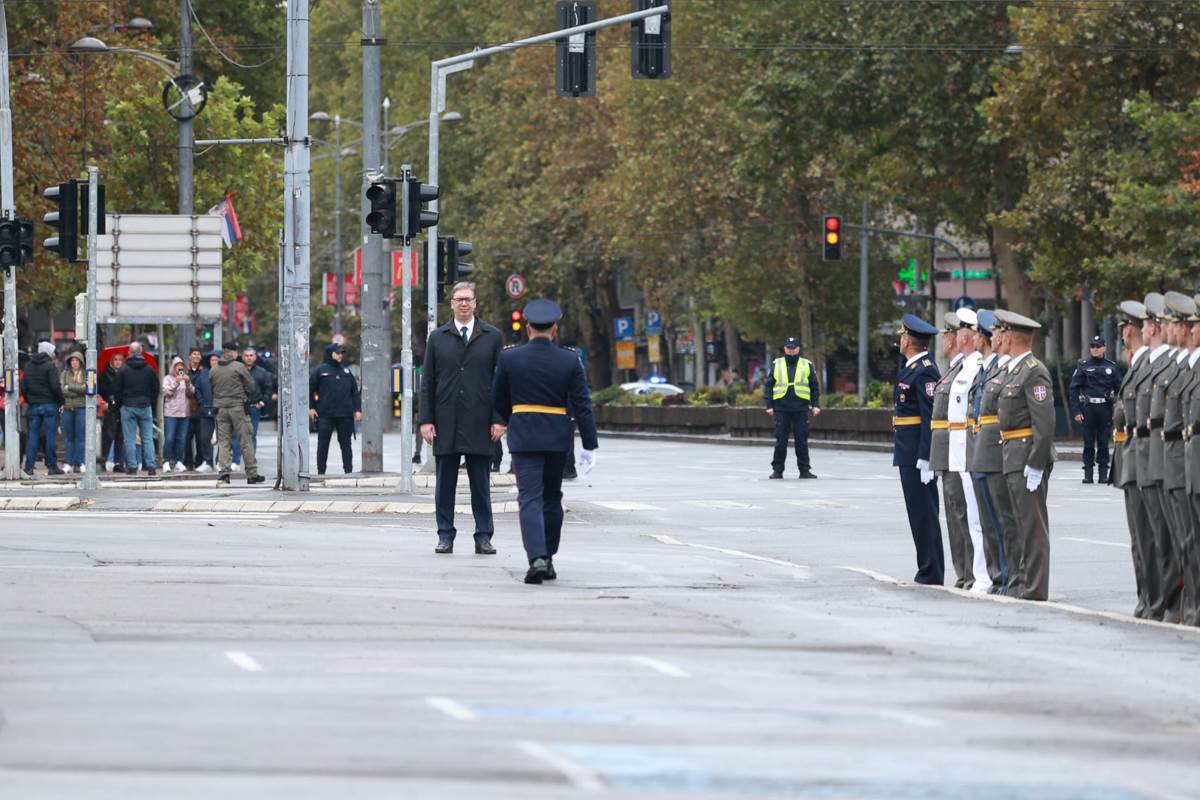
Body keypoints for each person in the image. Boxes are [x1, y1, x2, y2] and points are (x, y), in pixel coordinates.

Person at [493, 299, 598, 584]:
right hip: (557, 437)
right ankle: (548, 557)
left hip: (524, 436)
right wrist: (589, 444)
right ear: (554, 329)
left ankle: (536, 558)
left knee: (529, 498)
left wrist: (499, 422)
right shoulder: (569, 359)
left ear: (527, 328)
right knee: (553, 498)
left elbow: (498, 398)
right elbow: (582, 404)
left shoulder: (510, 358)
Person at [420, 281, 505, 555]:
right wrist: (426, 420)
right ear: (452, 304)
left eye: (468, 299)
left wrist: (499, 419)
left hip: (481, 421)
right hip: (445, 421)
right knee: (445, 483)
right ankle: (445, 535)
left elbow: (501, 382)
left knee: (481, 483)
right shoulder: (438, 337)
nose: (464, 304)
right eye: (459, 300)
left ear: (476, 303)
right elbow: (428, 382)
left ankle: (484, 536)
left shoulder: (492, 336)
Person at [994, 308, 1056, 601]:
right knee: (1018, 525)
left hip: (1026, 456)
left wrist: (1036, 463)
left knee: (1032, 527)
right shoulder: (1014, 370)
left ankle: (1035, 588)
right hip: (1012, 454)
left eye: (1001, 332)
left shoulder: (1034, 371)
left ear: (1010, 337)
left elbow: (1043, 424)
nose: (998, 337)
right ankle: (1021, 583)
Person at [1135, 293, 1179, 620]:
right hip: (1144, 454)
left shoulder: (1170, 364)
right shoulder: (1145, 363)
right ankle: (1156, 600)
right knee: (1147, 539)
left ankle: (1175, 604)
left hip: (1168, 456)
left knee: (1172, 538)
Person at [892, 314, 943, 585]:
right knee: (917, 514)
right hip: (907, 449)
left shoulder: (925, 370)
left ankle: (931, 570)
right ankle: (926, 567)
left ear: (908, 340)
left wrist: (926, 455)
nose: (900, 340)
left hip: (916, 454)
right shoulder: (912, 368)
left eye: (902, 336)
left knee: (924, 514)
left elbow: (929, 417)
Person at [966, 310, 1013, 594]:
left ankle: (1007, 576)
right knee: (988, 521)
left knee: (1001, 520)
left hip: (994, 452)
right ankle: (998, 575)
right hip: (980, 451)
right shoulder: (986, 369)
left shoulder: (1002, 368)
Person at [1114, 300, 1154, 618]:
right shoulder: (1137, 366)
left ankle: (1157, 600)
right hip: (1134, 461)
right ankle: (1147, 599)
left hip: (1148, 462)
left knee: (1152, 539)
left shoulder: (1148, 366)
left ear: (1131, 330)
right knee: (1139, 539)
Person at [946, 308, 988, 592]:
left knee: (978, 519)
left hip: (970, 448)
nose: (959, 334)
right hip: (959, 450)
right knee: (971, 518)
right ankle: (977, 574)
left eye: (963, 330)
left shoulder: (975, 367)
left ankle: (983, 576)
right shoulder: (963, 367)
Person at [931, 313, 971, 588]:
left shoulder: (965, 369)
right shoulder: (952, 370)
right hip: (947, 451)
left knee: (962, 513)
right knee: (954, 514)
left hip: (959, 451)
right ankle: (963, 573)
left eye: (948, 335)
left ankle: (969, 572)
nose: (945, 340)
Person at [764, 336, 822, 479]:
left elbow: (814, 387)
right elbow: (769, 386)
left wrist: (815, 405)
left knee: (802, 440)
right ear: (785, 349)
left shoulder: (806, 364)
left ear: (798, 349)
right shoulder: (776, 364)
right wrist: (769, 405)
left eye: (793, 348)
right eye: (788, 348)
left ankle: (804, 470)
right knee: (781, 440)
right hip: (782, 407)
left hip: (800, 407)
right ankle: (777, 470)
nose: (791, 351)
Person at [210, 342, 265, 485]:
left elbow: (212, 389)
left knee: (223, 442)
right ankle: (252, 474)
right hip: (238, 408)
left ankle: (224, 474)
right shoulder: (239, 367)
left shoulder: (214, 370)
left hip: (221, 409)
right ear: (233, 352)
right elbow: (251, 386)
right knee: (246, 440)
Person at [1069, 334, 1121, 484]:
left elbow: (1120, 389)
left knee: (1104, 442)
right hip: (1088, 408)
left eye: (1098, 346)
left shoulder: (1111, 366)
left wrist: (1117, 410)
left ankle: (1103, 473)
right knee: (1088, 442)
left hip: (1105, 408)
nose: (1095, 349)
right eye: (1092, 346)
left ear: (1104, 348)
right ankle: (1088, 473)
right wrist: (1076, 411)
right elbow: (1073, 389)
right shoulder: (1083, 365)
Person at [309, 343, 362, 475]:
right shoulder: (320, 371)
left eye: (341, 353)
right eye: (337, 353)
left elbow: (355, 392)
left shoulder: (346, 372)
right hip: (325, 414)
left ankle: (348, 471)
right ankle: (321, 472)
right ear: (330, 354)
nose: (340, 355)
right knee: (323, 444)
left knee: (346, 444)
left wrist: (357, 410)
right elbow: (309, 390)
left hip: (345, 415)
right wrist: (311, 408)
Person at [115, 341, 161, 476]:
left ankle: (132, 466)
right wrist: (150, 402)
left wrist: (119, 405)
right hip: (145, 406)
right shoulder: (149, 369)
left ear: (129, 352)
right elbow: (156, 389)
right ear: (141, 352)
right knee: (147, 437)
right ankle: (151, 466)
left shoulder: (123, 370)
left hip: (128, 406)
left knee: (129, 438)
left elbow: (117, 390)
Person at [21, 341, 64, 476]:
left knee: (33, 436)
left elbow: (24, 387)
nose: (53, 354)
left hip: (33, 406)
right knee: (50, 436)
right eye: (52, 351)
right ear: (47, 352)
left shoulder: (28, 366)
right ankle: (51, 466)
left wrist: (30, 400)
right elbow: (55, 386)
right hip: (49, 405)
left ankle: (29, 466)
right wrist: (61, 401)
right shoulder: (50, 366)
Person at [161, 356, 195, 473]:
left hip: (184, 413)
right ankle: (166, 461)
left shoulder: (185, 379)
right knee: (170, 438)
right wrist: (176, 381)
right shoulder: (168, 378)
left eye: (181, 367)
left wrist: (188, 382)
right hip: (171, 412)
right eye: (177, 367)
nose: (179, 369)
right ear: (173, 368)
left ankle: (179, 461)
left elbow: (192, 393)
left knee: (182, 439)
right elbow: (167, 392)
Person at [59, 351, 88, 473]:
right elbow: (62, 390)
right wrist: (78, 390)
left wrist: (70, 387)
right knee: (69, 437)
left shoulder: (86, 374)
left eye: (77, 360)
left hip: (81, 407)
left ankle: (81, 462)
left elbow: (86, 389)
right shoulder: (65, 374)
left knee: (81, 437)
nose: (74, 363)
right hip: (67, 408)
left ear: (81, 362)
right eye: (72, 361)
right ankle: (69, 463)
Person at [98, 352, 126, 472]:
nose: (118, 362)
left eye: (120, 359)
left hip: (122, 407)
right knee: (108, 436)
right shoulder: (105, 375)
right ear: (111, 361)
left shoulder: (125, 374)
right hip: (110, 408)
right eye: (116, 359)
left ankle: (118, 462)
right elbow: (102, 390)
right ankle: (103, 459)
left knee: (121, 436)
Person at [183, 348, 205, 470]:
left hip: (200, 409)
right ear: (189, 356)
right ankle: (188, 462)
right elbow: (180, 384)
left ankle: (199, 462)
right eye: (194, 354)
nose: (196, 356)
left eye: (198, 354)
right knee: (186, 439)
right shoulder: (183, 370)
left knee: (201, 439)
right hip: (186, 409)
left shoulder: (204, 371)